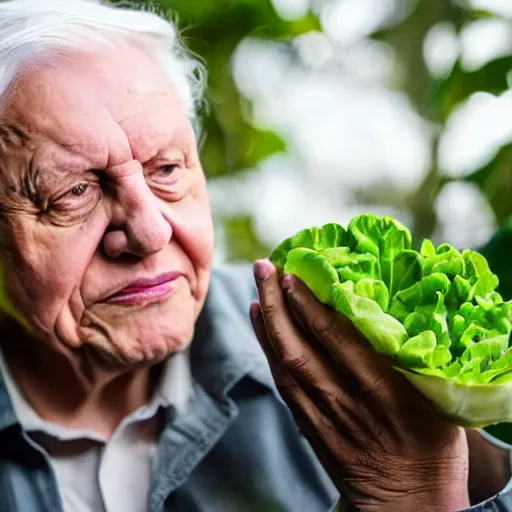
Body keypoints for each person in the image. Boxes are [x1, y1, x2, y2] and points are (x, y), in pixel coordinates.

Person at [0, 1, 510, 511]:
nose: (151, 232)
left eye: (167, 169)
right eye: (73, 192)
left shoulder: (352, 338)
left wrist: (418, 494)